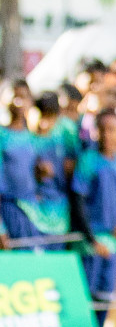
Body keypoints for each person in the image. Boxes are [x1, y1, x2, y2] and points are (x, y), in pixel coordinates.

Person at [71, 111, 116, 327]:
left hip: (113, 245)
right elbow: (78, 202)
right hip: (92, 244)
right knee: (86, 298)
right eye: (103, 129)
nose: (107, 135)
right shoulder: (88, 161)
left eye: (113, 129)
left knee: (105, 298)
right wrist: (91, 240)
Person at [29, 91, 77, 247]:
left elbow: (75, 163)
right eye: (41, 115)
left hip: (59, 211)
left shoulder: (66, 131)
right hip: (33, 210)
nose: (44, 122)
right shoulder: (26, 136)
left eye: (50, 116)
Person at [0, 81, 43, 248]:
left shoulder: (35, 138)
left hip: (32, 213)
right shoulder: (2, 136)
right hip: (8, 210)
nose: (19, 101)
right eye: (14, 96)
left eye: (23, 97)